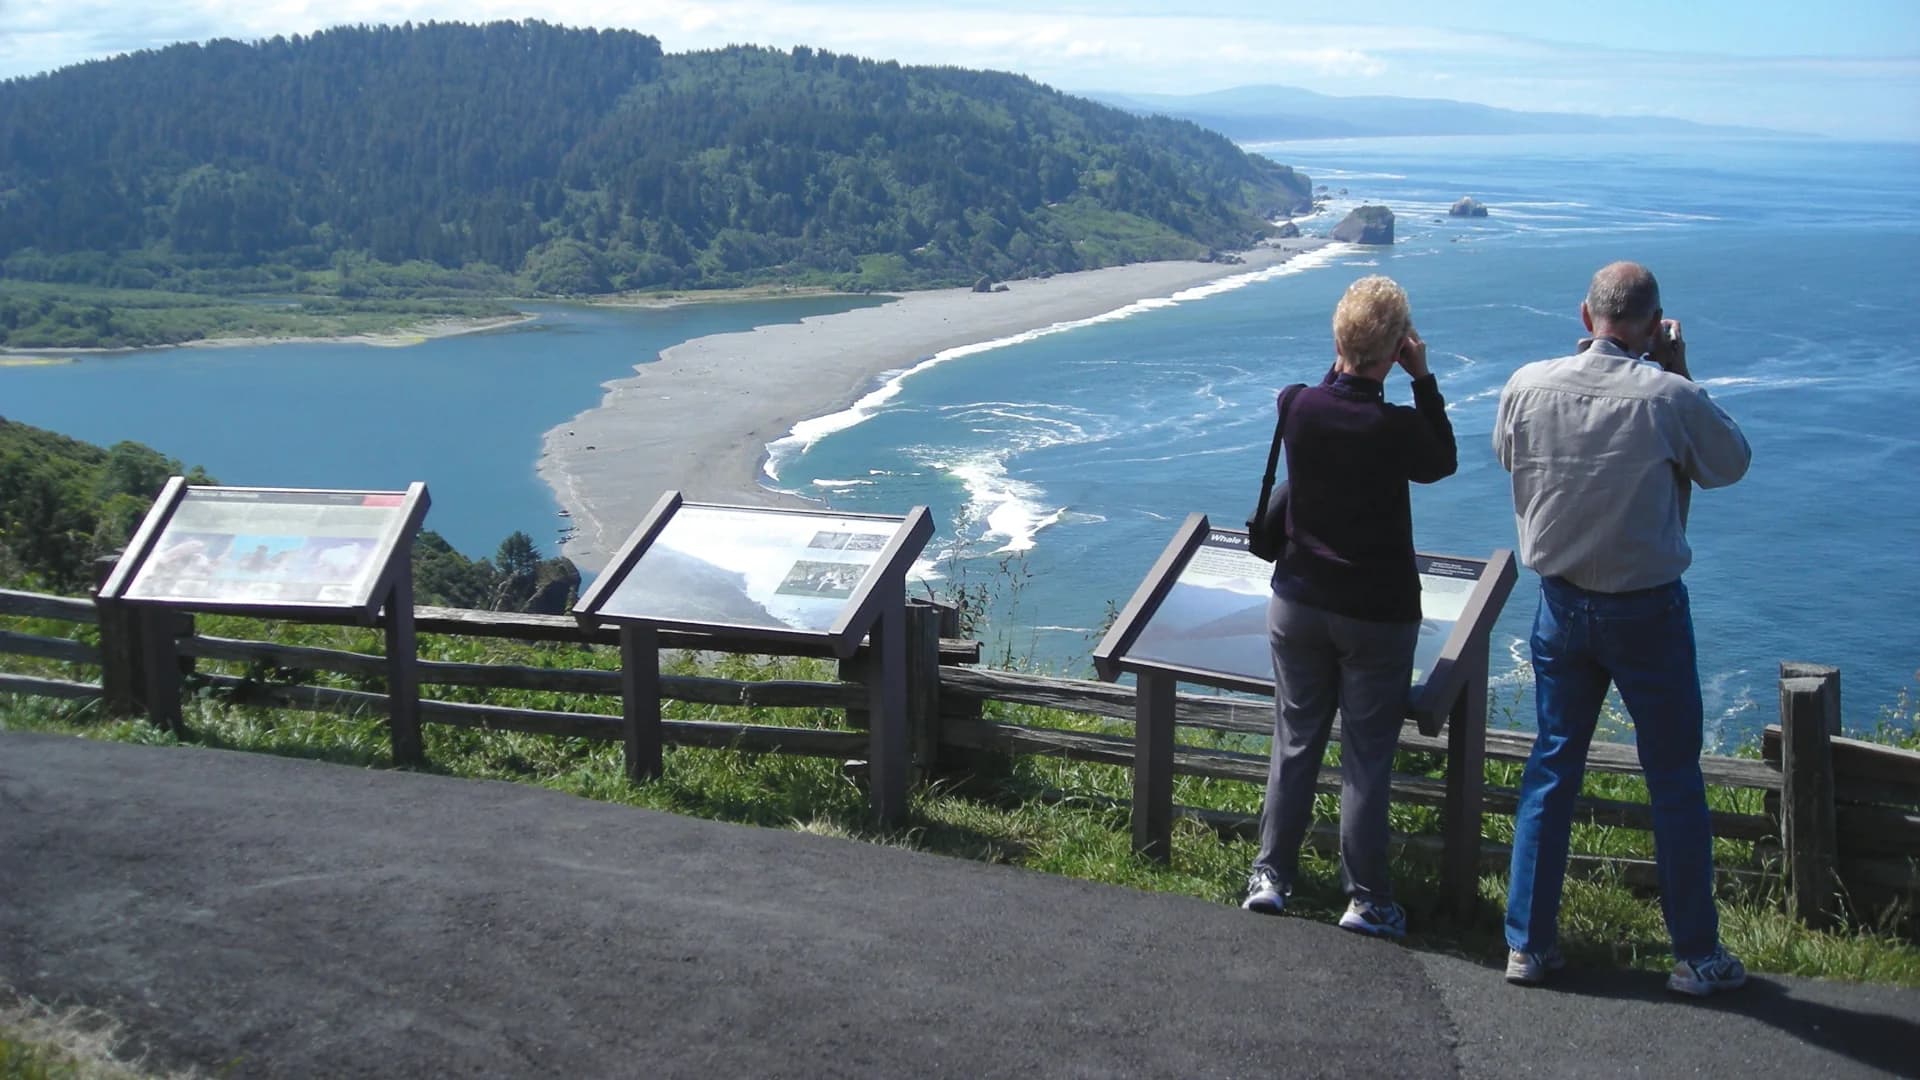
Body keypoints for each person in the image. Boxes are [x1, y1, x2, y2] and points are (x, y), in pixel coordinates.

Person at [1493, 261, 1752, 995]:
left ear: (1586, 316)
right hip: (1646, 609)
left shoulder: (1526, 384)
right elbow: (1730, 463)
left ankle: (1528, 946)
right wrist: (1681, 368)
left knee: (1551, 770)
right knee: (1672, 777)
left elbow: (1509, 455)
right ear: (1653, 323)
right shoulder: (1669, 397)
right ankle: (1696, 955)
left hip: (1560, 603)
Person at [1242, 275, 1458, 938]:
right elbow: (1442, 459)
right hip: (1376, 611)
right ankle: (1366, 897)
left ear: (1337, 341)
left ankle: (1272, 877)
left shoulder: (1296, 406)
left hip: (1300, 601)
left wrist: (1358, 351)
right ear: (1397, 349)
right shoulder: (1393, 428)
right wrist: (1419, 378)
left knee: (1296, 738)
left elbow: (1319, 389)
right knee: (1366, 754)